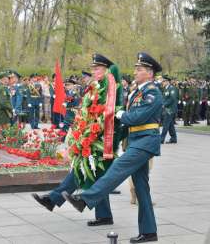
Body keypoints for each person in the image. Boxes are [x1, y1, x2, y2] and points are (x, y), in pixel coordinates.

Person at [63, 52, 163, 243]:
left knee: (118, 169)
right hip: (135, 140)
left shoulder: (153, 92)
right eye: (136, 68)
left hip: (145, 142)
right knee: (142, 189)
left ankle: (85, 199)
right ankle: (149, 232)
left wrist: (118, 113)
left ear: (150, 73)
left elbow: (137, 117)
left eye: (140, 69)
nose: (135, 71)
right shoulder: (139, 91)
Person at [32, 53, 123, 227]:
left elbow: (107, 114)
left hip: (102, 139)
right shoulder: (96, 87)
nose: (93, 71)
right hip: (91, 136)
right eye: (93, 68)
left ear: (105, 70)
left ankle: (54, 199)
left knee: (87, 172)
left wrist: (90, 137)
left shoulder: (111, 86)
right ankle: (102, 215)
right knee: (92, 174)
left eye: (97, 68)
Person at [161, 75, 178, 144]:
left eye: (164, 81)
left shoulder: (172, 88)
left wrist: (164, 104)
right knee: (170, 125)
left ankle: (161, 139)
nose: (163, 83)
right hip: (167, 109)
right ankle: (174, 138)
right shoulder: (166, 89)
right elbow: (165, 98)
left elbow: (172, 99)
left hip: (170, 109)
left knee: (165, 124)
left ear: (167, 82)